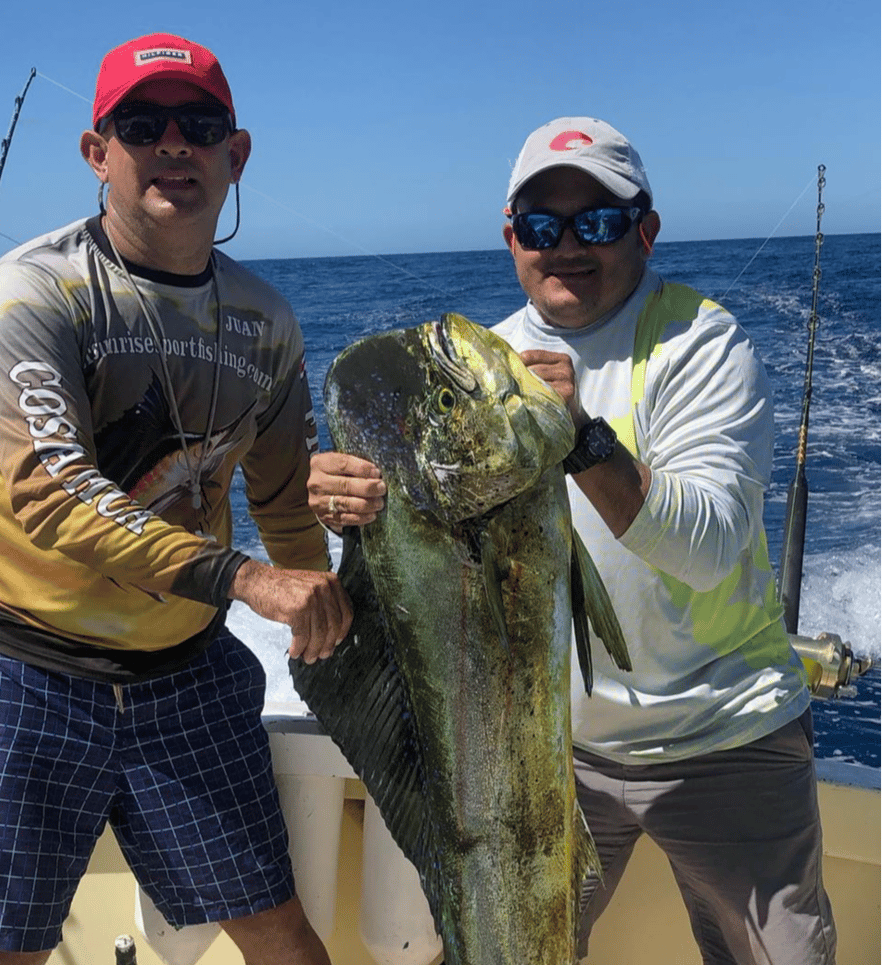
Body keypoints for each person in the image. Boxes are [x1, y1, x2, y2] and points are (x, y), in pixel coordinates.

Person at [309, 117, 836, 965]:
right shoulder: (483, 362)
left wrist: (583, 437)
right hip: (549, 754)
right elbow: (419, 580)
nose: (567, 246)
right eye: (542, 225)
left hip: (723, 734)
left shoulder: (705, 345)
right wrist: (352, 508)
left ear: (646, 230)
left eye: (597, 222)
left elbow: (707, 547)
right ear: (511, 238)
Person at [0, 33, 350, 965]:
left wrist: (330, 626)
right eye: (142, 125)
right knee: (4, 952)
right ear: (97, 151)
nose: (173, 145)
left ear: (236, 154)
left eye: (199, 125)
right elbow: (53, 491)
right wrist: (245, 580)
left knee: (282, 935)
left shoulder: (266, 321)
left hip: (183, 673)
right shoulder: (37, 289)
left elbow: (282, 498)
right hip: (24, 665)